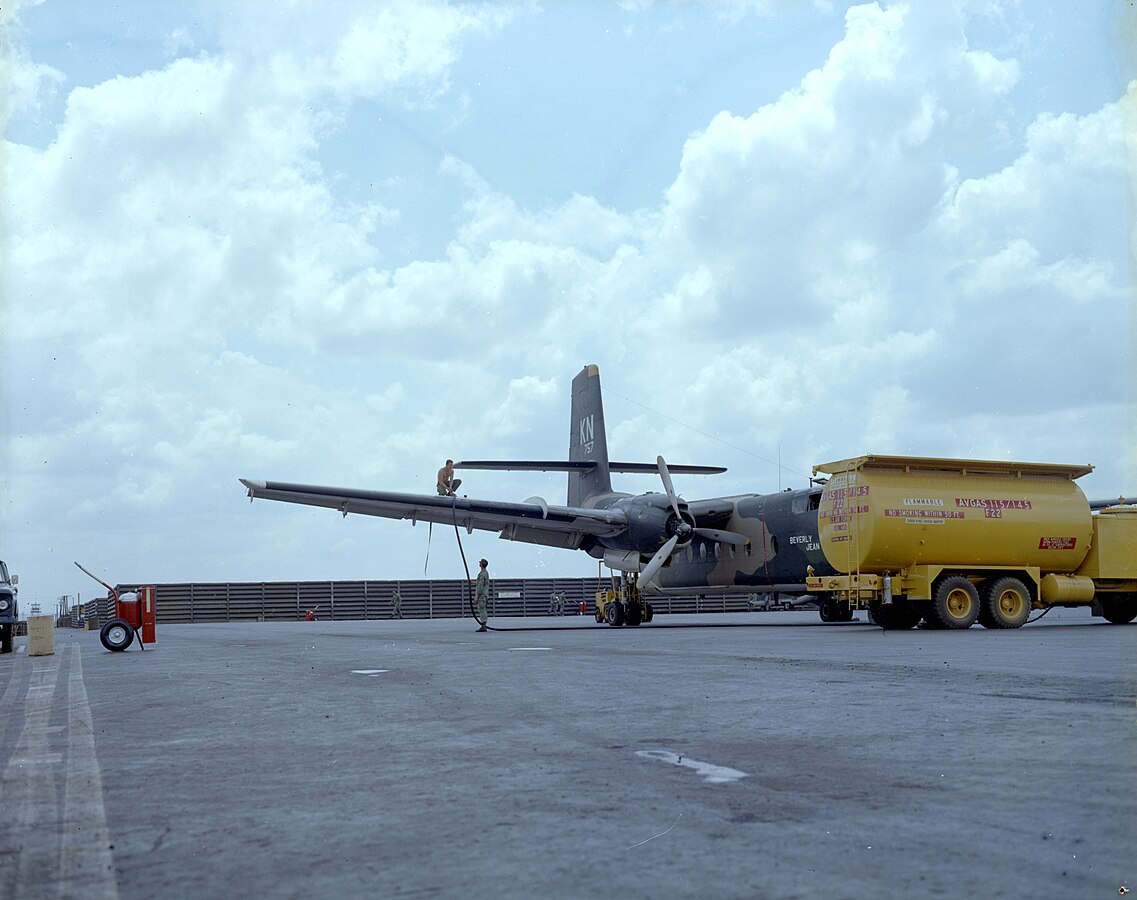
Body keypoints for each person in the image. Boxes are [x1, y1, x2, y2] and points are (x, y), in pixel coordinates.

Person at [474, 558, 490, 632]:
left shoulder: (482, 574)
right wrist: (473, 583)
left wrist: (477, 596)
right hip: (485, 595)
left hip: (482, 596)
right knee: (483, 609)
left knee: (482, 610)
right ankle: (484, 625)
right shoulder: (485, 573)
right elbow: (481, 583)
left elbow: (480, 586)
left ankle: (483, 625)